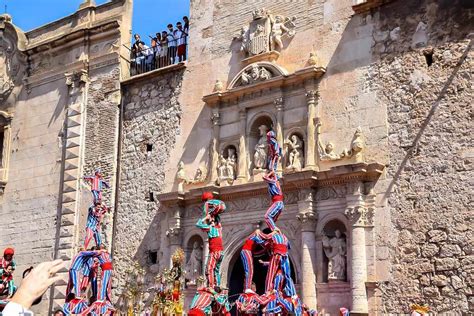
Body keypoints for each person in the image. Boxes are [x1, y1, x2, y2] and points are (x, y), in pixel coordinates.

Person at [196, 213, 224, 288]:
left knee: (209, 269)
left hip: (215, 252)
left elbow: (198, 224)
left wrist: (205, 217)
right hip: (221, 253)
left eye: (210, 220)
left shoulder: (210, 228)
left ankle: (211, 286)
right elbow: (218, 219)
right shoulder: (219, 228)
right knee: (216, 271)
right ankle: (217, 285)